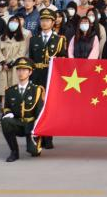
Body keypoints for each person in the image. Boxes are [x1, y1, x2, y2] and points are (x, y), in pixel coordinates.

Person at [28, 8, 66, 149]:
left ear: (53, 22)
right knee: (37, 107)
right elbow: (31, 60)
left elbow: (63, 60)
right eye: (42, 20)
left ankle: (48, 138)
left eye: (47, 20)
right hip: (36, 76)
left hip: (51, 77)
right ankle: (38, 136)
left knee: (49, 108)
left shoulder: (59, 40)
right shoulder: (34, 39)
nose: (44, 23)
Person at [0, 57, 45, 162]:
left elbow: (39, 111)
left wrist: (37, 128)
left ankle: (37, 141)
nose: (21, 73)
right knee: (5, 121)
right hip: (18, 123)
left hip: (31, 125)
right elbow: (6, 107)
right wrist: (8, 113)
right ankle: (14, 152)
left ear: (30, 72)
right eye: (19, 70)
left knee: (34, 152)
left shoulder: (36, 90)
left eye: (24, 70)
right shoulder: (10, 90)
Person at [0, 17, 28, 98]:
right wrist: (3, 63)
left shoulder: (22, 37)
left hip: (15, 66)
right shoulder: (2, 37)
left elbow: (21, 53)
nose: (13, 23)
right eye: (12, 21)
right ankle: (3, 105)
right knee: (3, 88)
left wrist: (10, 64)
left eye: (16, 22)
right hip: (3, 66)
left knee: (14, 87)